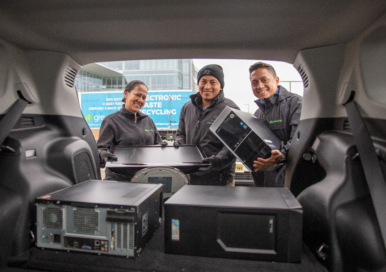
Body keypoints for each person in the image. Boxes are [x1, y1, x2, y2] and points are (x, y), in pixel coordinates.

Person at [174, 64, 239, 186]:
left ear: (221, 86)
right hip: (191, 178)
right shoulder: (187, 107)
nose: (207, 86)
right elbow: (181, 134)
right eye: (203, 81)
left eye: (213, 82)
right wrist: (180, 144)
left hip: (220, 180)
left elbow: (233, 145)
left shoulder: (230, 109)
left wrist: (215, 162)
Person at [97, 80, 166, 181]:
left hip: (145, 179)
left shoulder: (148, 120)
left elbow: (157, 145)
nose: (140, 100)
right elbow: (100, 149)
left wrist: (164, 147)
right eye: (137, 95)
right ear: (126, 94)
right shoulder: (111, 120)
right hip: (118, 181)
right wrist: (102, 154)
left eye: (144, 98)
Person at [250, 62, 302, 187]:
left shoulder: (295, 103)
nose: (260, 86)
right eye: (254, 82)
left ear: (276, 80)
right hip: (262, 183)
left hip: (288, 182)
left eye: (264, 80)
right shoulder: (257, 114)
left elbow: (299, 140)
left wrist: (282, 154)